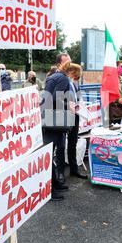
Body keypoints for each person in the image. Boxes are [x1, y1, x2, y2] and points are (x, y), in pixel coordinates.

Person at [41, 62, 79, 201]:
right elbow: (54, 99)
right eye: (75, 76)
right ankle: (50, 190)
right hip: (54, 121)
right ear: (71, 72)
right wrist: (69, 105)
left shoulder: (54, 77)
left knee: (49, 155)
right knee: (49, 156)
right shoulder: (62, 79)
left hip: (50, 121)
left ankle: (55, 185)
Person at [66, 64, 88, 180]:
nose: (78, 77)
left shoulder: (75, 83)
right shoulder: (65, 82)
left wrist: (78, 104)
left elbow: (78, 96)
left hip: (75, 114)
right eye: (77, 74)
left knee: (73, 142)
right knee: (62, 145)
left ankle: (74, 169)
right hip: (66, 116)